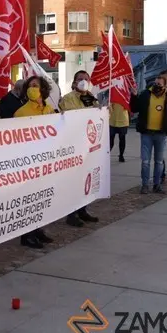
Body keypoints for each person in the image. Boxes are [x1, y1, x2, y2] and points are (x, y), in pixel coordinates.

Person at [13, 76, 55, 248]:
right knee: (28, 200)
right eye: (30, 86)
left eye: (35, 86)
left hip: (45, 161)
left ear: (43, 90)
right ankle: (27, 235)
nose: (32, 88)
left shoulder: (50, 109)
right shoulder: (21, 113)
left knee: (40, 198)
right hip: (28, 162)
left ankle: (37, 229)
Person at [59, 71, 100, 227]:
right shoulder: (68, 99)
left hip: (88, 145)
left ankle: (83, 209)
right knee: (74, 181)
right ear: (74, 82)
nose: (83, 82)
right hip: (74, 145)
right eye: (80, 79)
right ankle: (71, 213)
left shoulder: (91, 98)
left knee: (86, 179)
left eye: (85, 79)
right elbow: (71, 118)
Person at [130, 74, 167, 194]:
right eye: (155, 83)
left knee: (158, 161)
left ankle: (157, 184)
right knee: (145, 161)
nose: (156, 86)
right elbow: (134, 108)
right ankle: (145, 185)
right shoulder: (145, 94)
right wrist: (133, 96)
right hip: (146, 133)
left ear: (165, 85)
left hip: (160, 134)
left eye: (159, 84)